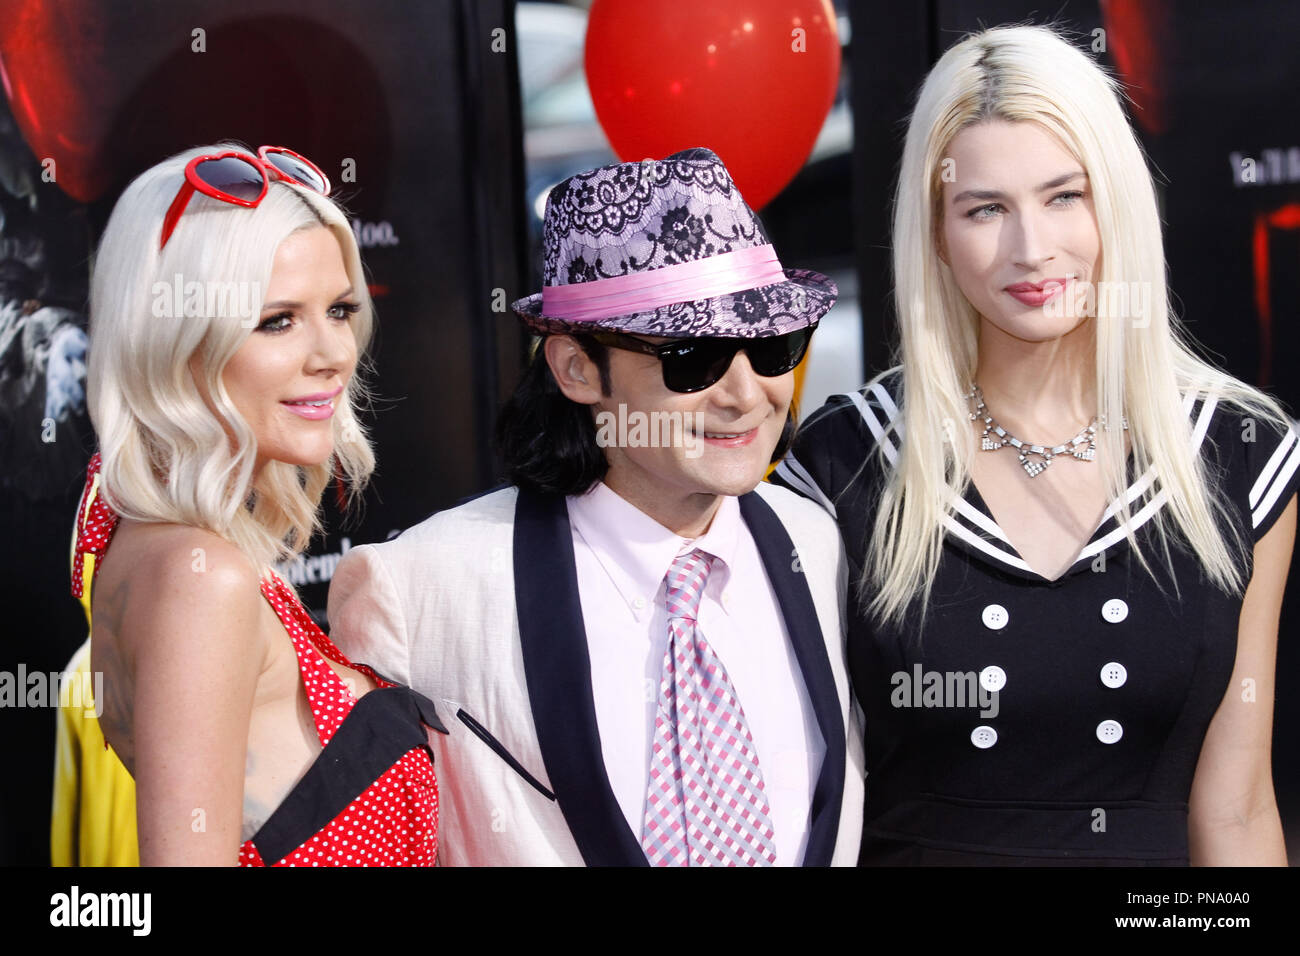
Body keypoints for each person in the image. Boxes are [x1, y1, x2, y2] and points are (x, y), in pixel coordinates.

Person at [773, 24, 1298, 866]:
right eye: (985, 209)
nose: (1032, 250)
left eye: (1065, 196)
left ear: (1116, 201)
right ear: (936, 232)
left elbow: (1234, 813)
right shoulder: (841, 466)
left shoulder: (1238, 453)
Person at [329, 147, 864, 866]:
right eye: (692, 357)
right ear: (577, 368)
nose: (746, 393)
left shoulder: (815, 540)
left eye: (771, 347)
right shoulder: (418, 589)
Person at [78, 142, 444, 866]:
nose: (334, 352)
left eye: (339, 309)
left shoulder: (141, 535)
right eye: (277, 320)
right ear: (177, 340)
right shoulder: (200, 578)